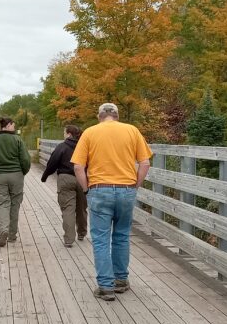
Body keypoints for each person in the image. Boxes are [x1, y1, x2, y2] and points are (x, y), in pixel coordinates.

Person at [71, 103, 152, 302]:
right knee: (122, 235)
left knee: (100, 239)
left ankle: (105, 287)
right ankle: (121, 281)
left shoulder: (90, 133)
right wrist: (135, 186)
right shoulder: (132, 131)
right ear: (117, 115)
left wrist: (86, 189)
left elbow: (79, 167)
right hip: (126, 189)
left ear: (100, 116)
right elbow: (145, 162)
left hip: (99, 189)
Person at [0, 117, 31, 247]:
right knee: (15, 204)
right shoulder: (17, 139)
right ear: (8, 125)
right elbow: (26, 160)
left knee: (3, 204)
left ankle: (4, 229)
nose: (14, 128)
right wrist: (22, 172)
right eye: (13, 125)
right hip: (16, 174)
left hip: (0, 175)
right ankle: (11, 235)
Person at [41, 125, 87, 248]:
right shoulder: (85, 146)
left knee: (68, 209)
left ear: (69, 134)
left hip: (65, 178)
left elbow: (52, 163)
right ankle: (82, 233)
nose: (63, 134)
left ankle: (69, 239)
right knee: (82, 208)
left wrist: (45, 176)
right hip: (83, 178)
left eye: (64, 132)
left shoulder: (62, 147)